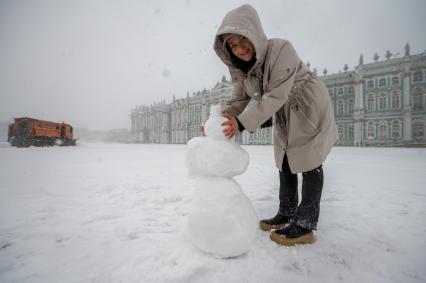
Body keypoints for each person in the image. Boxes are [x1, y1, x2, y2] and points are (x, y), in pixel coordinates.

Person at [213, 4, 338, 246]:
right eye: (233, 46)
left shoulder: (281, 49)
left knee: (310, 161)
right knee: (285, 159)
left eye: (243, 40)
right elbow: (239, 98)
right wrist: (219, 120)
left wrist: (240, 123)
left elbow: (276, 96)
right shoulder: (241, 70)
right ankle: (288, 211)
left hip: (307, 105)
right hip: (281, 111)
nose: (240, 49)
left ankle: (305, 224)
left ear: (254, 34)